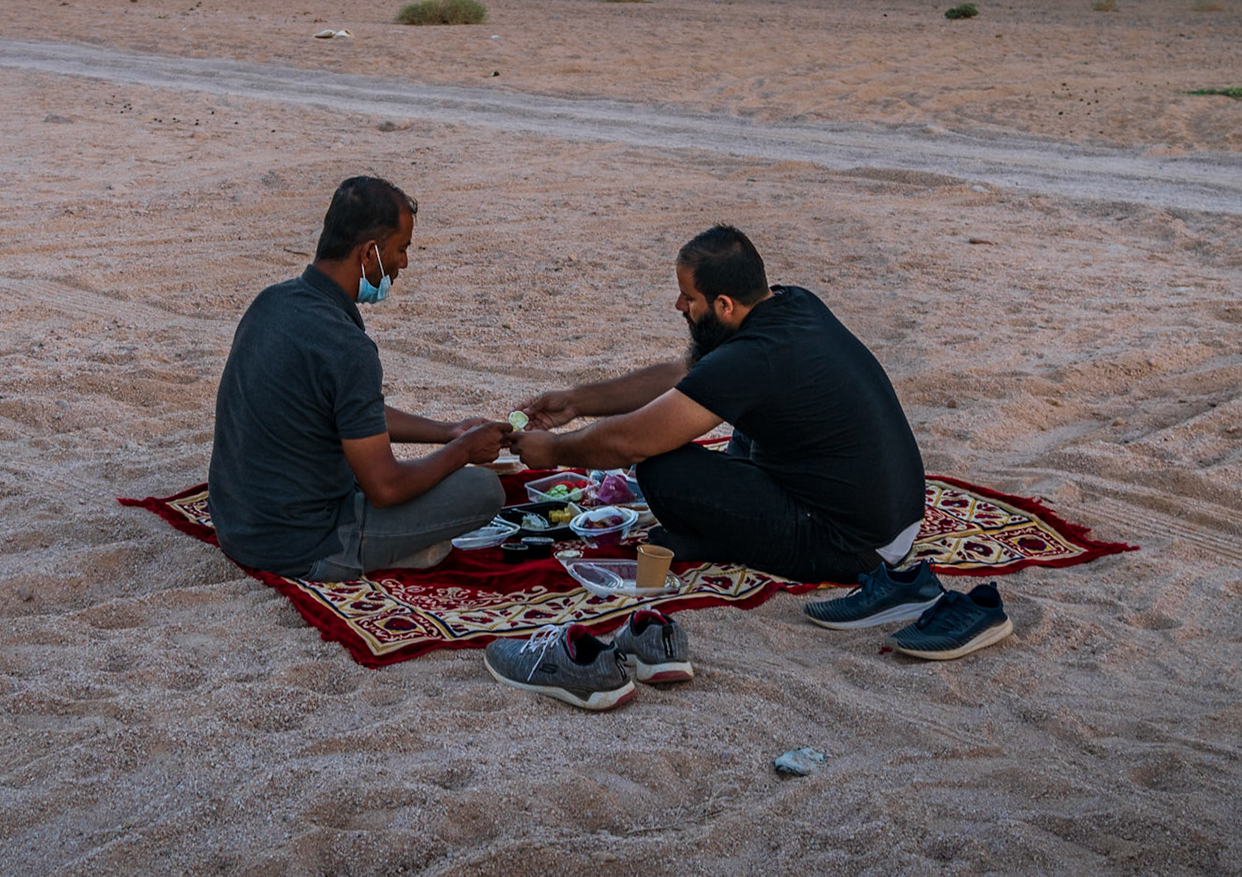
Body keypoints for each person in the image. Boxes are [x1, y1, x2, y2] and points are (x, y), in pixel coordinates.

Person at [509, 225, 940, 621]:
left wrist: (553, 450)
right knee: (741, 426)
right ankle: (724, 536)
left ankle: (727, 541)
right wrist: (575, 402)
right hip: (894, 518)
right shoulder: (793, 302)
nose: (679, 306)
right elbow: (685, 376)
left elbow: (630, 442)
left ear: (724, 305)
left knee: (662, 469)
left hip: (852, 547)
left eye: (689, 298)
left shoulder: (752, 358)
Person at [207, 176, 507, 581]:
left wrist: (448, 432)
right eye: (401, 249)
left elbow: (351, 409)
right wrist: (464, 450)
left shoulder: (271, 302)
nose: (404, 263)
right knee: (483, 490)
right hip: (304, 545)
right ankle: (384, 552)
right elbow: (385, 488)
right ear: (369, 253)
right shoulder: (347, 347)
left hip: (237, 527)